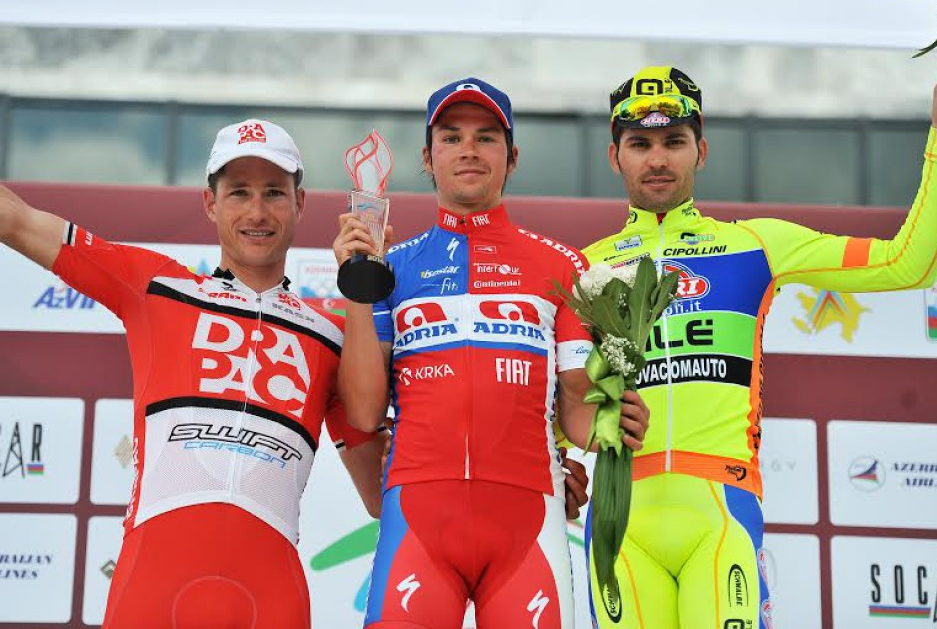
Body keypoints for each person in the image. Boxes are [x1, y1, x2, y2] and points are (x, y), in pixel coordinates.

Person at [581, 61, 937, 629]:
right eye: (640, 144)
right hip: (620, 519)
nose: (657, 159)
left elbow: (909, 262)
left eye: (674, 142)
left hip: (721, 509)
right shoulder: (585, 268)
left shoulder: (757, 244)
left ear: (701, 151)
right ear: (615, 157)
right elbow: (556, 401)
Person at [0, 118, 389, 628]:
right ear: (210, 203)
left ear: (299, 204)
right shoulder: (157, 287)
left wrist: (362, 286)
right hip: (152, 589)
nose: (257, 211)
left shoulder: (330, 337)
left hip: (270, 598)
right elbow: (17, 222)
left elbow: (380, 493)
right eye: (239, 192)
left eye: (274, 192)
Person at [334, 77, 650, 629]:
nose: (469, 150)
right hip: (418, 517)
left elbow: (577, 412)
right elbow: (362, 413)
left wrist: (612, 421)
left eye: (486, 137)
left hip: (527, 518)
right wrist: (359, 287)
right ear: (428, 158)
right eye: (451, 137)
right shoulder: (391, 269)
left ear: (512, 157)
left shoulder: (562, 267)